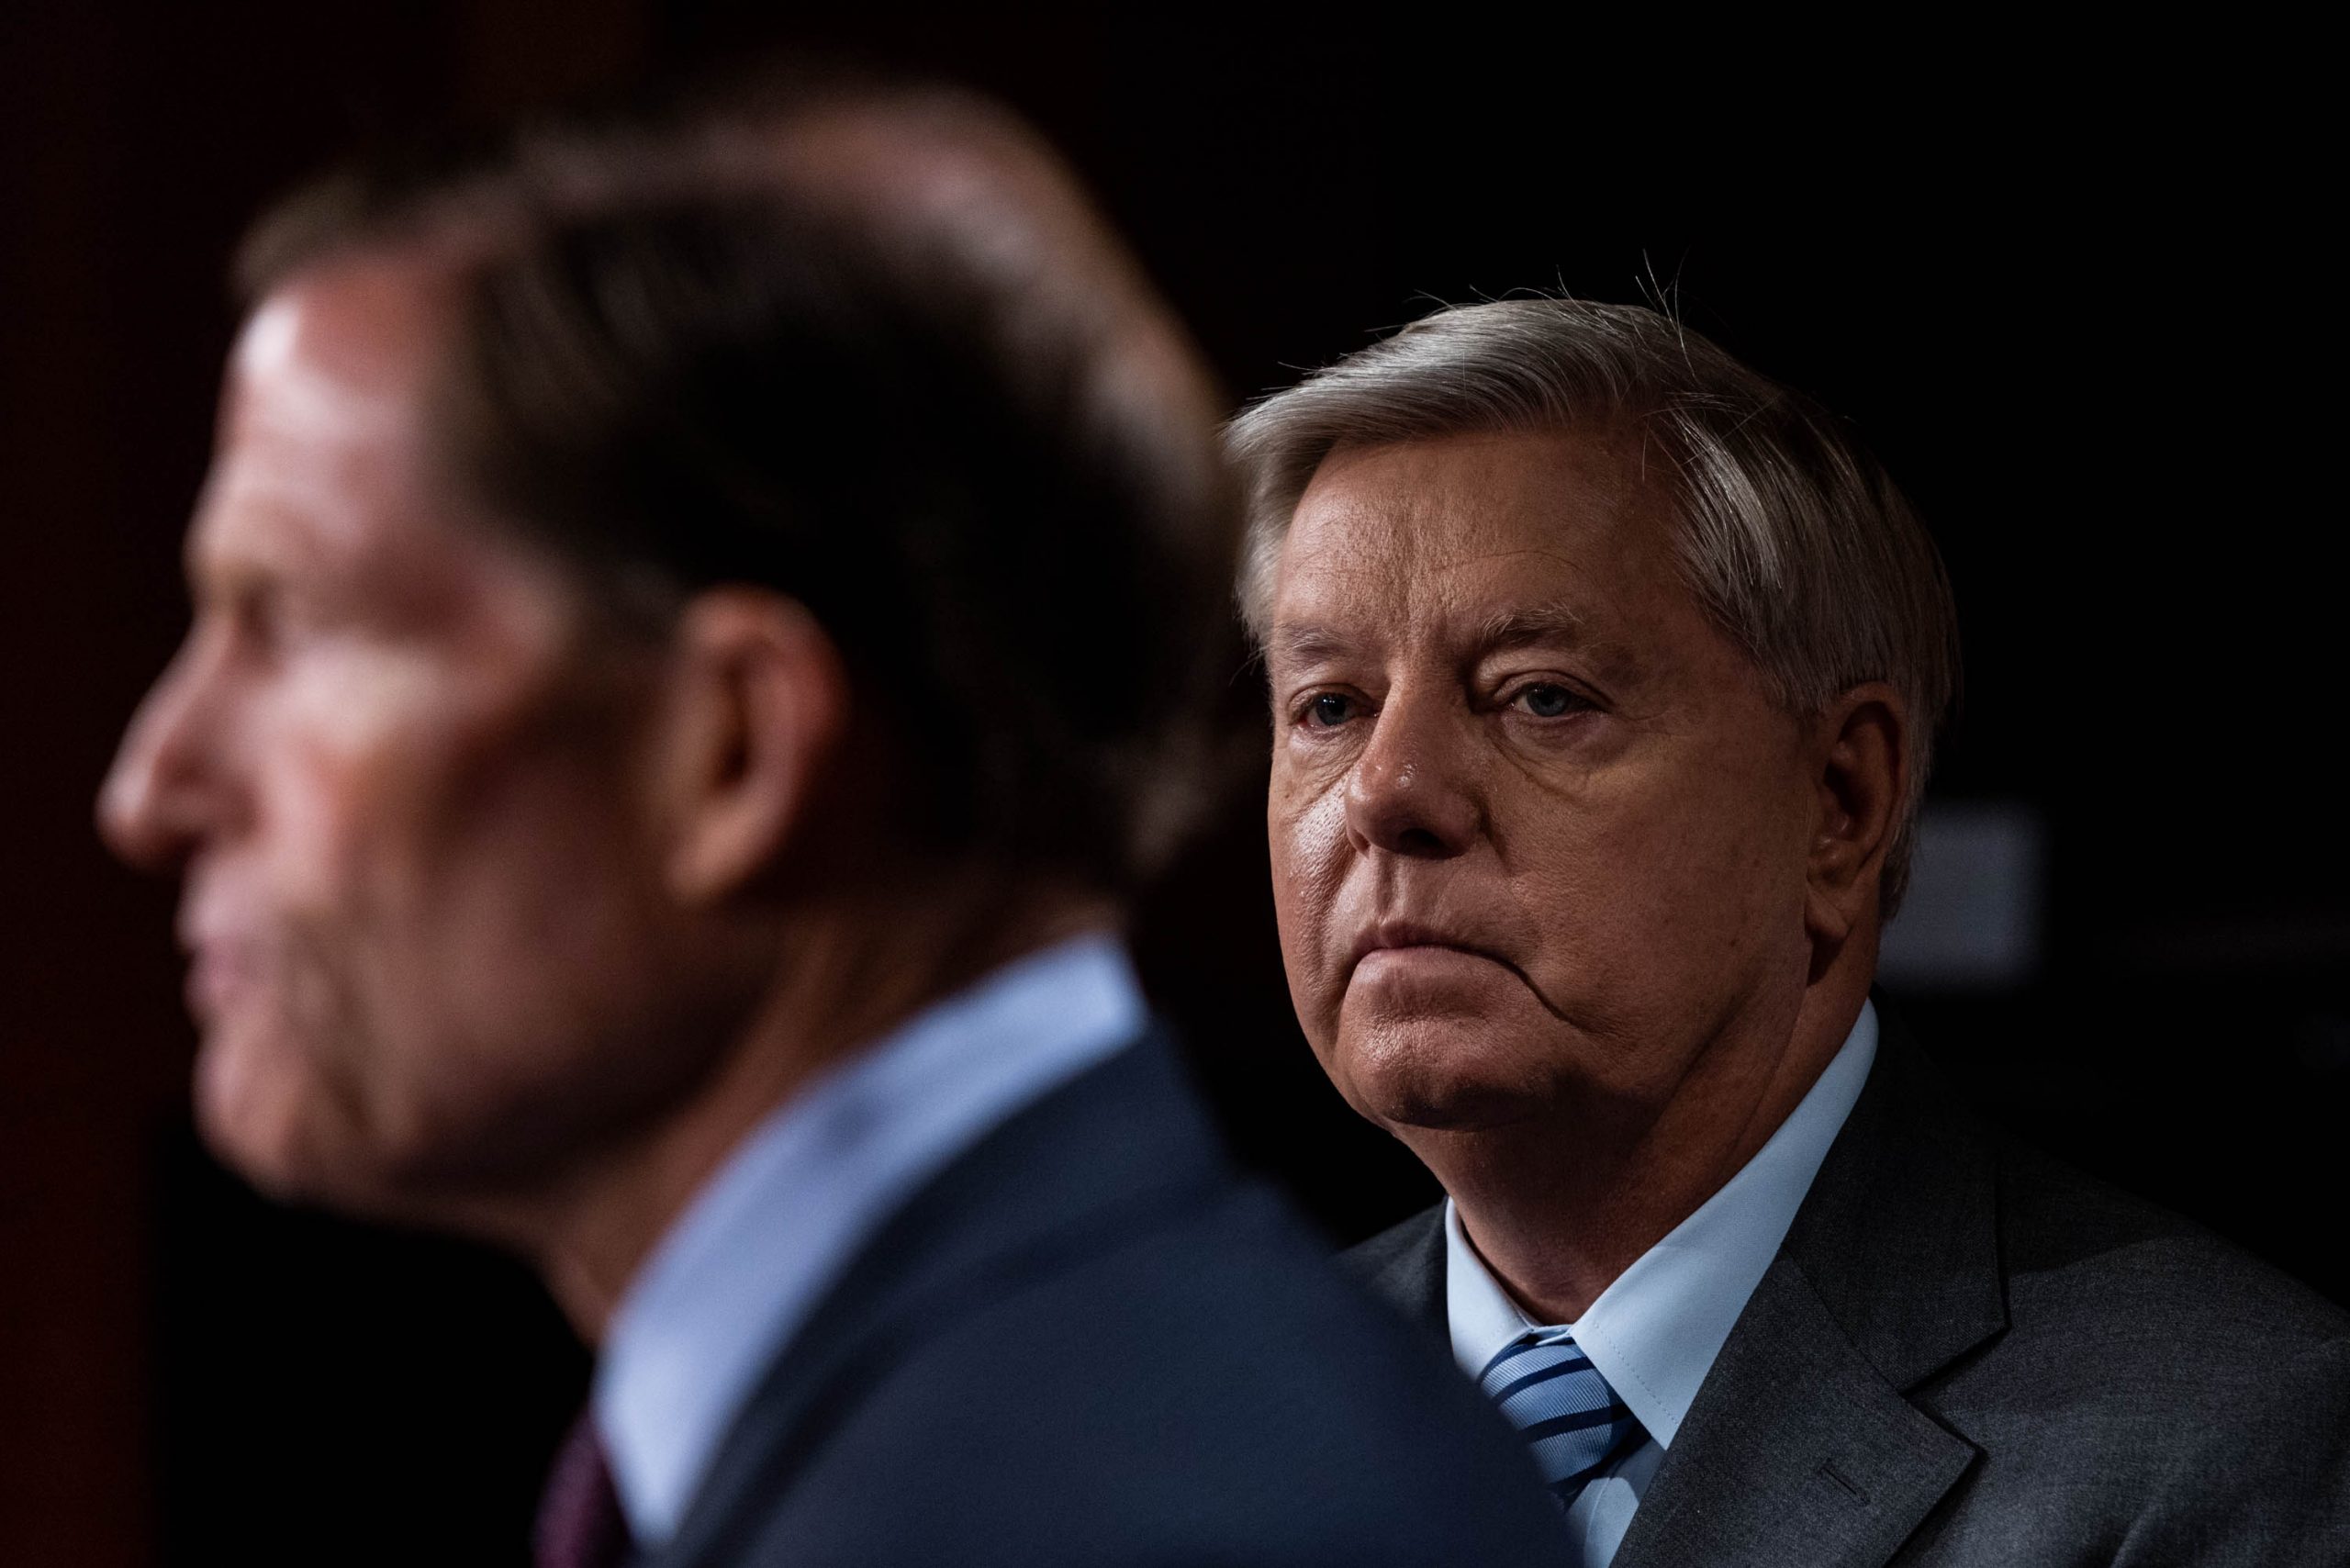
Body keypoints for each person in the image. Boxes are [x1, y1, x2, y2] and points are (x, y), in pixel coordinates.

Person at [95, 81, 1572, 1568]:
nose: (151, 788)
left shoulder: (1138, 1516)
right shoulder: (1052, 1418)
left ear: (730, 751)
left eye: (287, 628)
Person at [1227, 297, 2350, 1567]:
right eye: (1327, 707)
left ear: (1840, 805)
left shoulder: (2233, 1453)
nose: (1385, 791)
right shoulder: (1174, 1418)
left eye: (1542, 697)